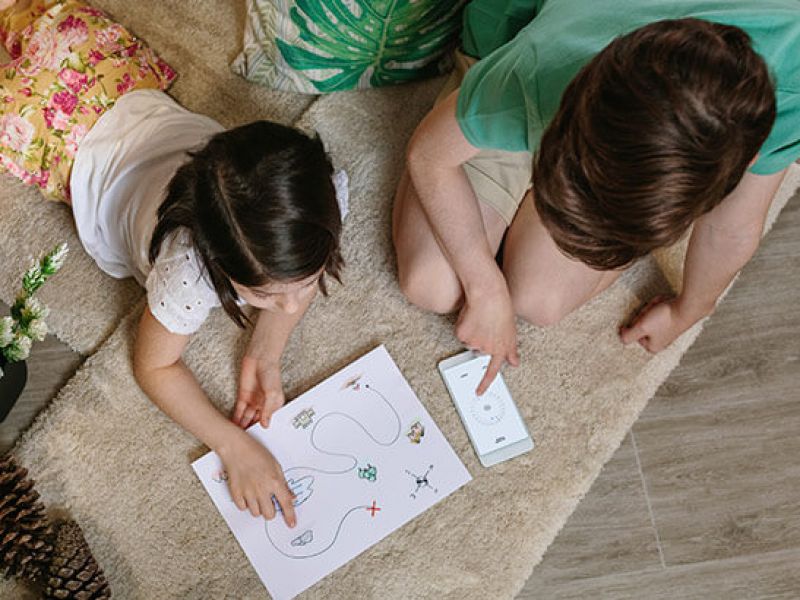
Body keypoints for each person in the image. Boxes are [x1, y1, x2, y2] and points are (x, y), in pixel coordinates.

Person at [0, 0, 348, 527]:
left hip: (111, 85)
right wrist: (231, 445)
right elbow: (155, 366)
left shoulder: (324, 197)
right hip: (67, 140)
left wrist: (267, 353)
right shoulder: (186, 268)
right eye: (268, 298)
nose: (295, 305)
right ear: (217, 264)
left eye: (308, 281)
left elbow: (285, 292)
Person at [393, 0, 799, 394]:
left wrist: (689, 309)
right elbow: (429, 155)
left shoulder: (789, 92)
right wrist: (484, 285)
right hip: (528, 54)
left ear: (750, 157)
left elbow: (731, 228)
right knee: (432, 283)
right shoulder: (542, 62)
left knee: (540, 301)